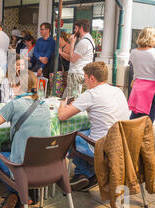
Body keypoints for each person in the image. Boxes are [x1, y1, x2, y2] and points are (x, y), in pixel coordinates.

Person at [0, 70, 52, 208]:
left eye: (13, 83)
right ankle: (21, 195)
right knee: (13, 151)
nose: (11, 86)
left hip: (21, 166)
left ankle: (18, 193)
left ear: (19, 85)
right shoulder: (45, 105)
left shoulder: (14, 104)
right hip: (44, 165)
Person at [58, 61, 129, 191]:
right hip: (122, 144)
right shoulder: (118, 91)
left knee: (66, 139)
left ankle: (87, 173)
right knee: (83, 132)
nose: (85, 82)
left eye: (85, 78)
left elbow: (62, 116)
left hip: (101, 147)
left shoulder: (91, 94)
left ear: (92, 78)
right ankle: (85, 173)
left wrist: (63, 104)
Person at [62, 19, 95, 99]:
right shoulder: (90, 40)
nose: (74, 31)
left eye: (76, 28)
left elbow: (73, 59)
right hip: (81, 72)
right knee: (65, 98)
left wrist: (72, 43)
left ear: (81, 28)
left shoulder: (84, 42)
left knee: (71, 99)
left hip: (76, 73)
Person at [47, 31, 71, 97]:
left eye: (57, 38)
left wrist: (61, 53)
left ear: (62, 38)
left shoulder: (68, 46)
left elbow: (70, 58)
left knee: (57, 93)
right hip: (54, 72)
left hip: (61, 73)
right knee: (54, 92)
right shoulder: (58, 47)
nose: (55, 39)